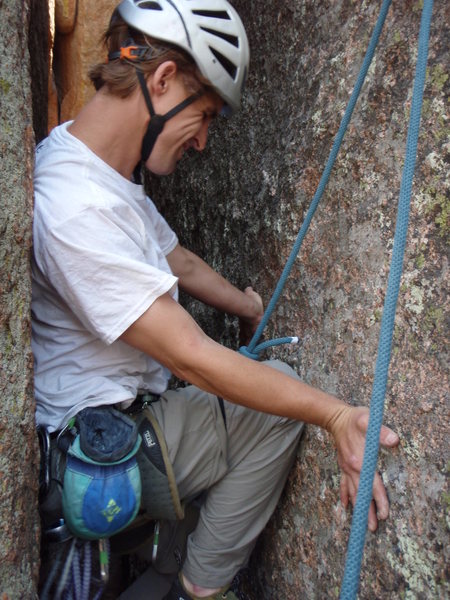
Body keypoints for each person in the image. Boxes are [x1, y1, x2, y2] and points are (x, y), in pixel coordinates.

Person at [31, 1, 399, 598]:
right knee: (275, 406)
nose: (203, 140)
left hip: (112, 425)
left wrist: (247, 306)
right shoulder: (74, 206)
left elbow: (177, 259)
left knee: (250, 382)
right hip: (96, 454)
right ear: (163, 79)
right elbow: (192, 359)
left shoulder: (90, 161)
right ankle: (196, 588)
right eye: (203, 115)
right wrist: (334, 415)